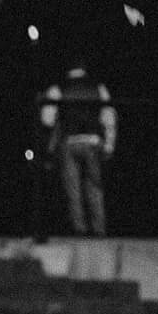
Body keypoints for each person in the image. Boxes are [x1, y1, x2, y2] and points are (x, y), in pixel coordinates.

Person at [40, 64, 116, 236]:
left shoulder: (58, 88)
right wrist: (109, 144)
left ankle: (79, 229)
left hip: (69, 141)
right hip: (92, 141)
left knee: (72, 189)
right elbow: (109, 118)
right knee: (95, 187)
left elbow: (47, 119)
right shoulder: (98, 87)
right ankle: (99, 229)